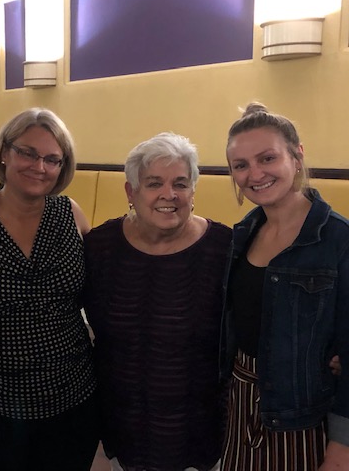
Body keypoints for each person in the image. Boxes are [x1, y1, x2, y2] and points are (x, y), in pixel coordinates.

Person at [0, 108, 98, 470]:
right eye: (28, 153)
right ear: (4, 152)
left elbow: (104, 290)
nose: (40, 166)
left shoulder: (70, 213)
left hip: (73, 396)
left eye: (52, 159)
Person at [84, 132, 230, 471]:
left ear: (194, 190)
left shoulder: (225, 249)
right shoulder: (100, 247)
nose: (170, 194)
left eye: (181, 183)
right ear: (131, 192)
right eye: (154, 183)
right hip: (123, 432)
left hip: (202, 437)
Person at [220, 103, 349, 470]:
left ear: (297, 156)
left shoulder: (338, 239)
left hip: (304, 415)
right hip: (241, 403)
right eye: (241, 165)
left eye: (267, 158)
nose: (254, 174)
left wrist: (343, 447)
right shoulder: (243, 233)